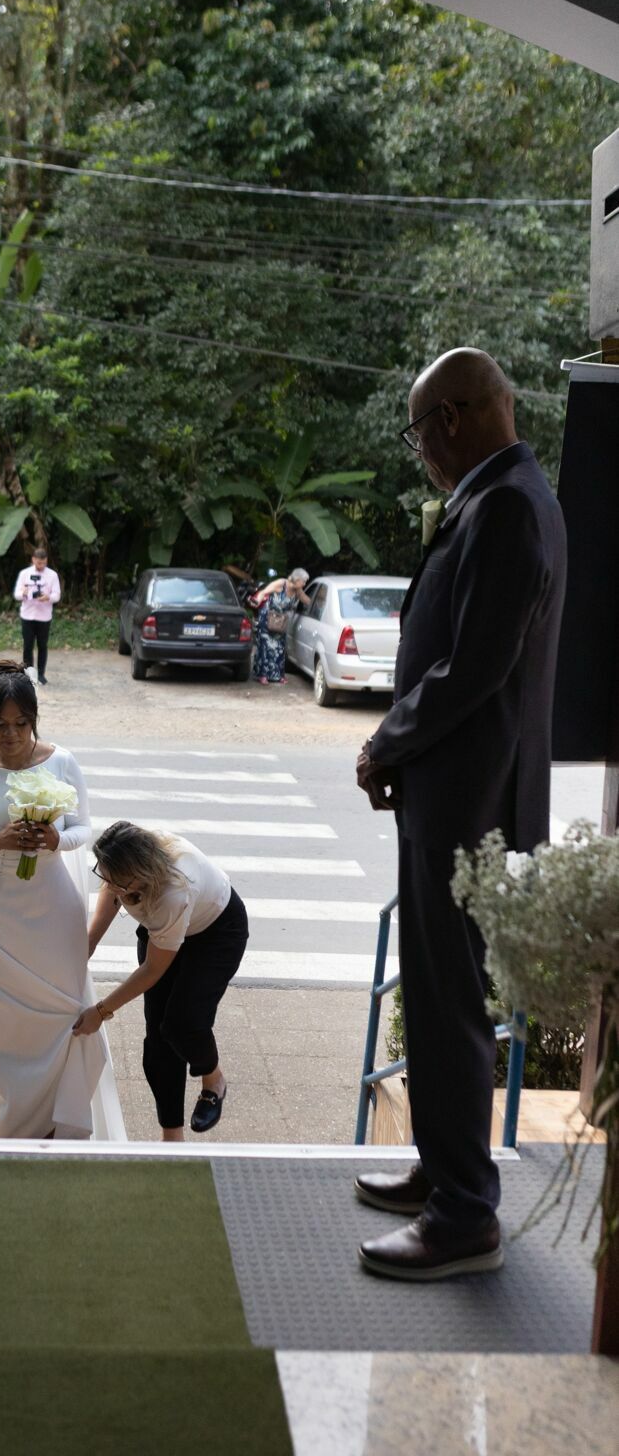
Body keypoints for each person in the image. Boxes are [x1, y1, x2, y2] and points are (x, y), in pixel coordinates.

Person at [355, 348, 566, 1281]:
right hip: (456, 790)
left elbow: (474, 668)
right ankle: (445, 1170)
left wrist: (385, 742)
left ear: (448, 419)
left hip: (461, 795)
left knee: (446, 997)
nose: (424, 457)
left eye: (418, 437)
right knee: (440, 990)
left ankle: (463, 1214)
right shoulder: (510, 495)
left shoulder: (507, 505)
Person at [0, 660, 118, 1137]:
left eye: (20, 724)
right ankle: (11, 1117)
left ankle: (56, 1119)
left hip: (52, 913)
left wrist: (56, 839)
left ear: (34, 720)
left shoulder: (62, 761)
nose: (10, 735)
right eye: (0, 725)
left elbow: (83, 828)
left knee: (60, 1015)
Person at [74, 821, 248, 1140]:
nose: (110, 887)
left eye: (117, 882)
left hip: (216, 934)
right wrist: (91, 941)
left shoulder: (174, 892)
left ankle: (214, 1080)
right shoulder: (129, 862)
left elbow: (153, 970)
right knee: (157, 1041)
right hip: (165, 930)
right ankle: (172, 1137)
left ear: (139, 874)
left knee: (183, 1025)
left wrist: (100, 1012)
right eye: (105, 877)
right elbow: (112, 888)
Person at [251, 568, 310, 684]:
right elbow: (263, 592)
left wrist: (320, 604)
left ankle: (278, 675)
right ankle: (263, 675)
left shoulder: (298, 591)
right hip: (268, 617)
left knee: (279, 648)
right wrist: (257, 600)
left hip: (280, 621)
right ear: (297, 579)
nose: (304, 584)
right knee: (265, 646)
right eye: (303, 581)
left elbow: (307, 600)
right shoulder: (281, 584)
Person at [13, 546, 60, 685]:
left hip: (44, 616)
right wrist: (24, 593)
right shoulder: (24, 574)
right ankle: (28, 675)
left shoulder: (52, 575)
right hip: (27, 615)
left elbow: (57, 595)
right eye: (39, 563)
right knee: (28, 645)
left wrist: (48, 597)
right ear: (33, 560)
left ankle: (41, 674)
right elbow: (16, 594)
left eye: (44, 563)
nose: (41, 566)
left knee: (42, 645)